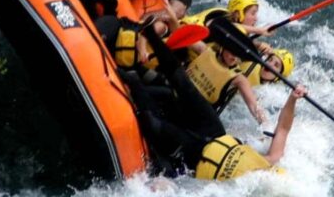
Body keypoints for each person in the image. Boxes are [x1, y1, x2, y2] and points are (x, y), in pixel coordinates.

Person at [124, 24, 308, 179]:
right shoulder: (271, 159)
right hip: (213, 130)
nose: (233, 57)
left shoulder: (246, 186)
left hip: (199, 155)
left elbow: (254, 105)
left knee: (154, 124)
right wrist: (293, 98)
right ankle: (149, 35)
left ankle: (129, 79)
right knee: (182, 83)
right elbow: (283, 128)